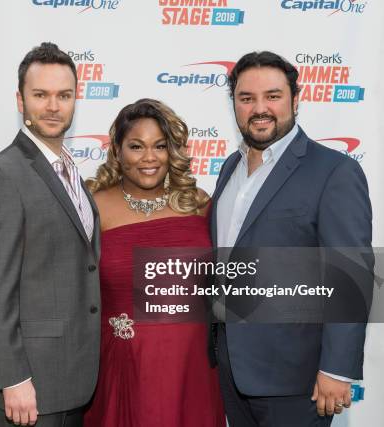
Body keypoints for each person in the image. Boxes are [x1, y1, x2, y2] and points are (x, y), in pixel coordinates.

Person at [211, 51, 372, 426]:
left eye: (273, 96)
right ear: (234, 103)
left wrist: (337, 368)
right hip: (231, 369)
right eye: (246, 98)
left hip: (297, 377)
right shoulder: (230, 169)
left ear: (295, 100)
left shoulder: (334, 171)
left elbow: (351, 274)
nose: (259, 108)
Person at [0, 42, 100, 427]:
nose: (53, 106)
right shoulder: (3, 174)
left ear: (76, 98)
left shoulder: (70, 170)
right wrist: (12, 377)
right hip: (32, 383)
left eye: (64, 95)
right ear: (20, 100)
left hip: (73, 375)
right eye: (40, 95)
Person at [83, 99, 226, 427]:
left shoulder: (199, 204)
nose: (149, 158)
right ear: (117, 151)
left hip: (192, 365)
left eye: (160, 146)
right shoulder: (92, 206)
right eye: (136, 146)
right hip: (123, 363)